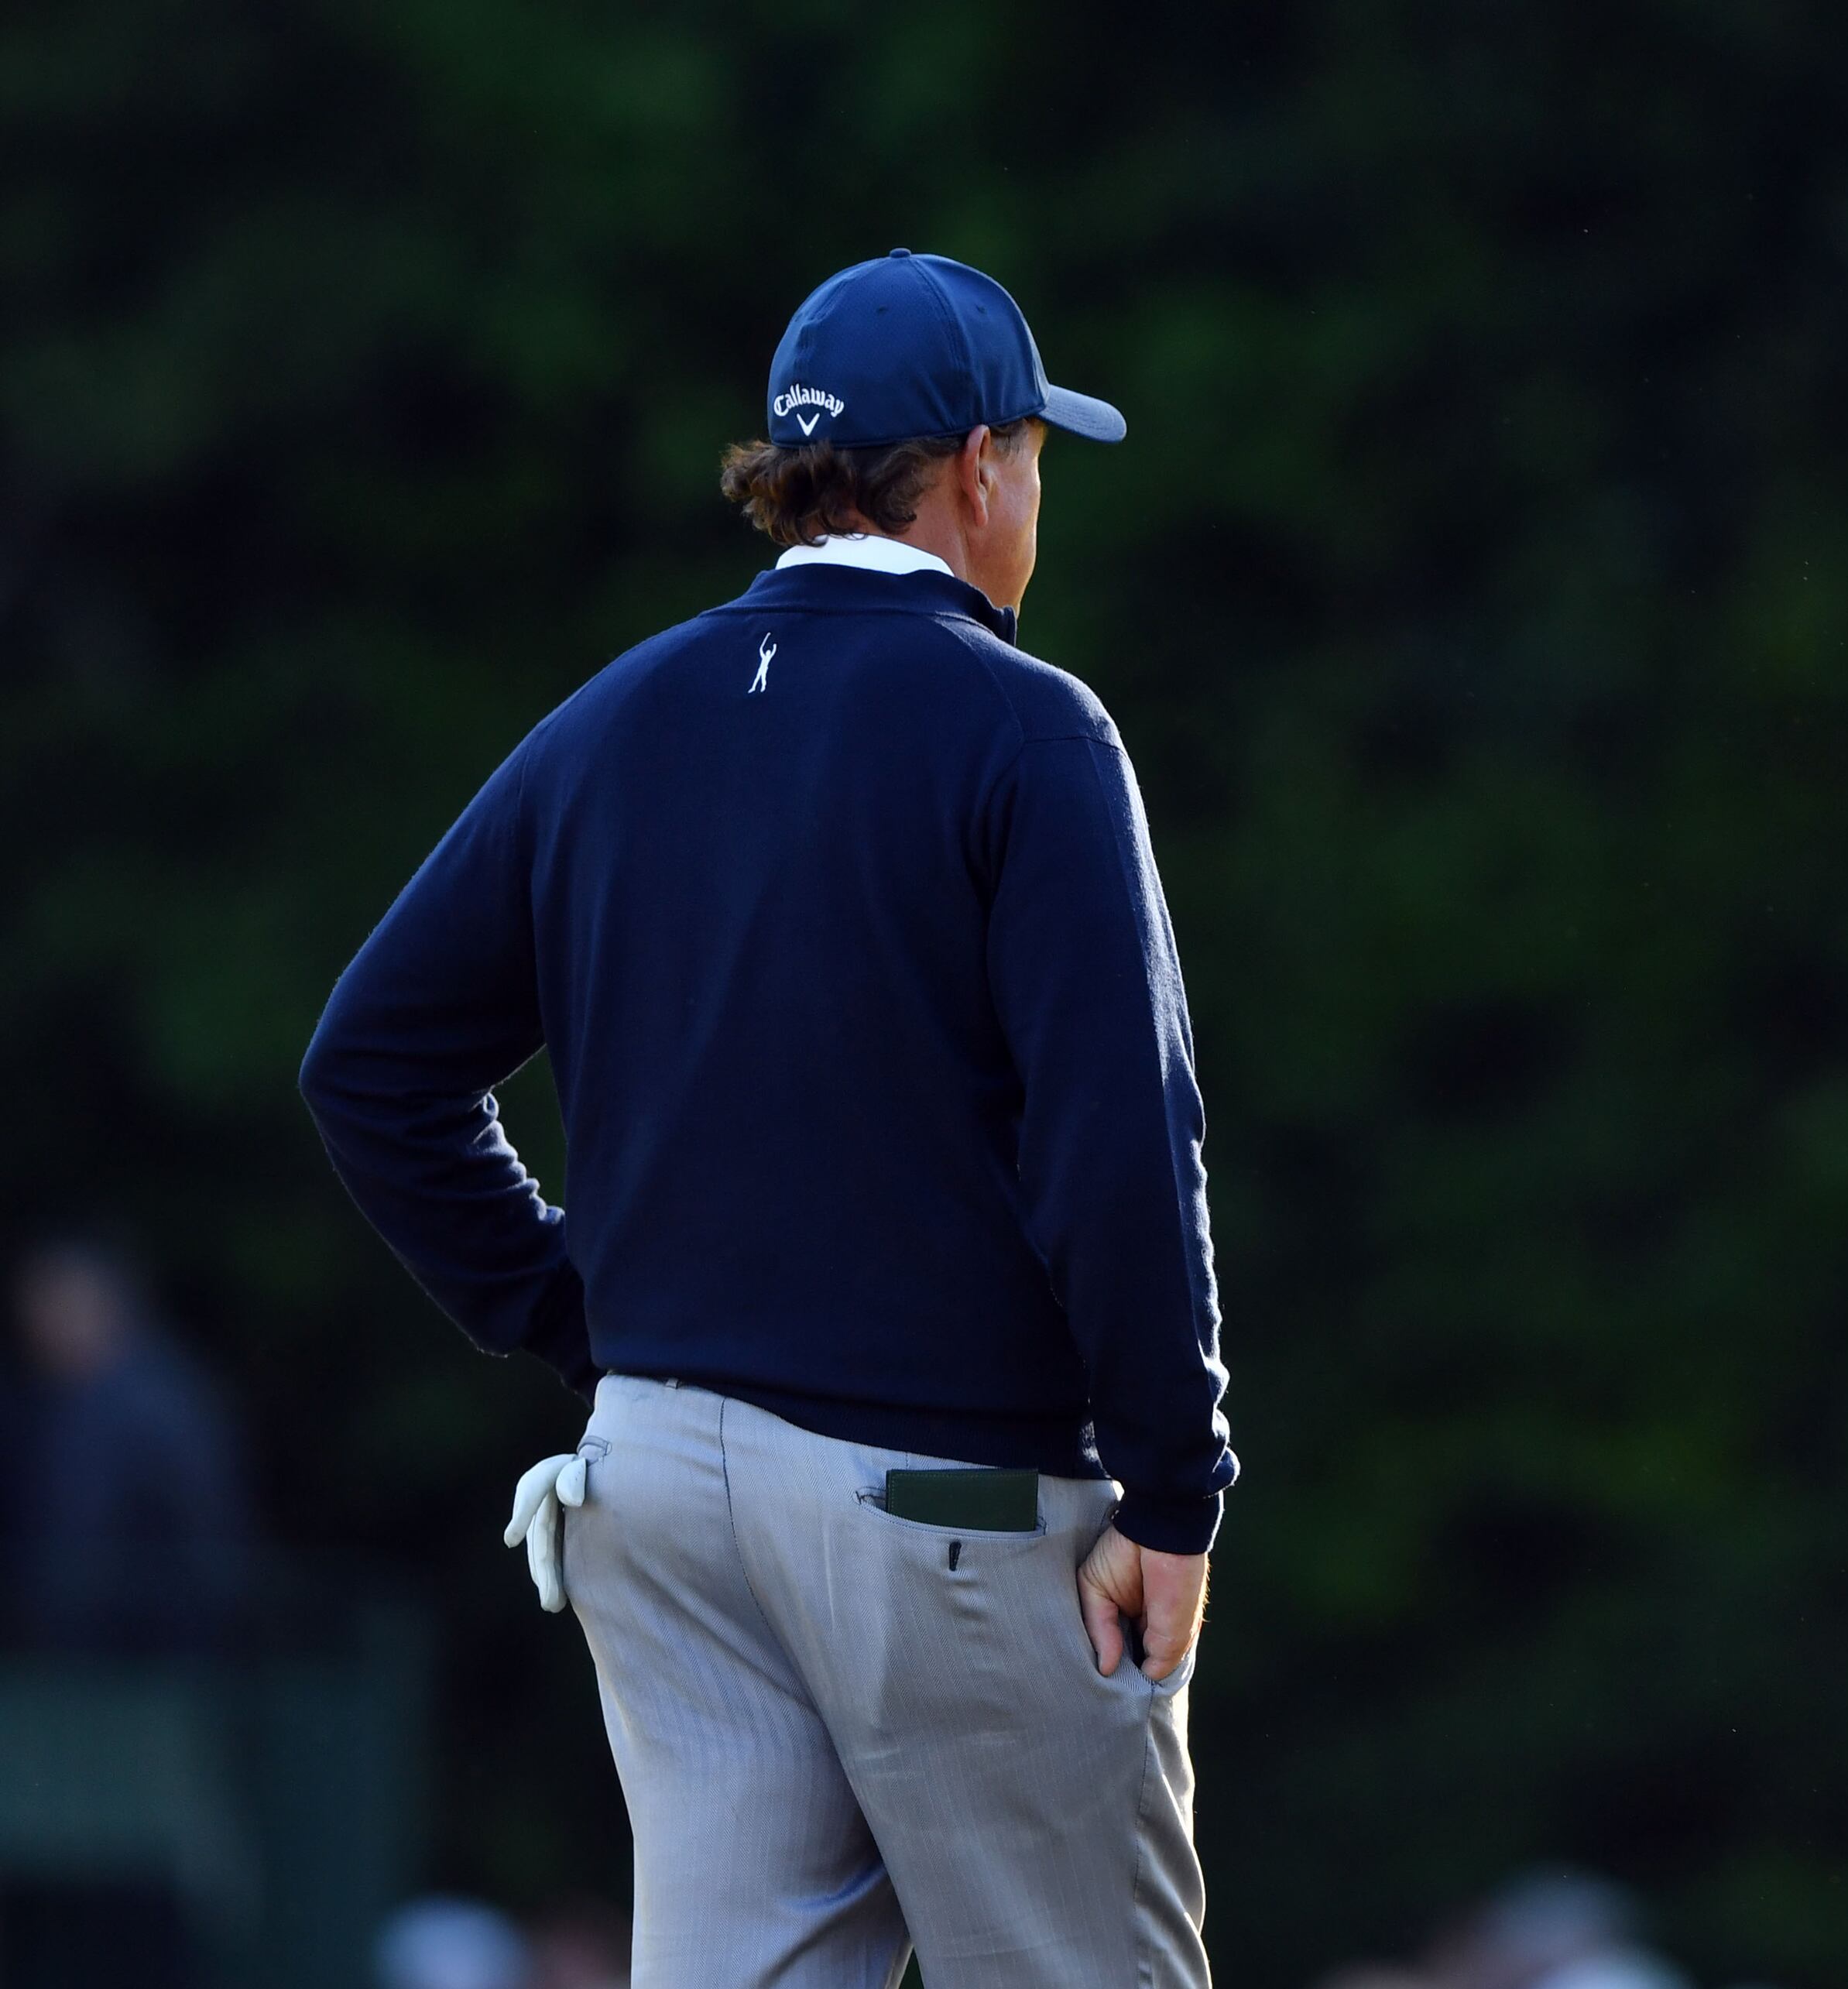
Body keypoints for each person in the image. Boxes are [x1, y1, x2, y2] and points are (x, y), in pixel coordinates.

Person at [300, 249, 1234, 1989]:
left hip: (657, 1486)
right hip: (942, 1501)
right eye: (1037, 454)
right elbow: (1119, 1144)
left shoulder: (619, 719)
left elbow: (370, 1064)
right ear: (978, 469)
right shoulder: (1028, 732)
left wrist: (586, 1318)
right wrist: (1175, 1490)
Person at [11, 1238, 252, 1657]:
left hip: (140, 1654)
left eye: (49, 1307)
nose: (35, 1328)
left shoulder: (150, 1404)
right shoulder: (67, 1399)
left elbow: (200, 1535)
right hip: (99, 1650)